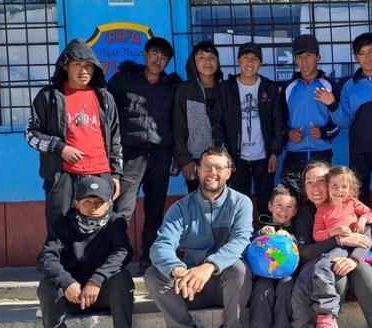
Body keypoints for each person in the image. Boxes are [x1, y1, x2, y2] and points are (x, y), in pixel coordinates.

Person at [144, 146, 253, 328]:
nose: (212, 172)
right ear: (198, 171)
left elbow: (241, 240)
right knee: (154, 274)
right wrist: (177, 270)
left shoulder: (241, 203)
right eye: (206, 167)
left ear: (229, 171)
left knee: (239, 268)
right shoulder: (181, 208)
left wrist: (209, 266)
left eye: (218, 167)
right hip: (190, 288)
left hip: (228, 287)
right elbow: (161, 245)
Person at [22, 175, 135, 328]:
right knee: (47, 286)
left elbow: (123, 252)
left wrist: (97, 279)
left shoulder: (116, 222)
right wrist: (67, 282)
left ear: (109, 203)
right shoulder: (63, 224)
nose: (93, 206)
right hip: (72, 296)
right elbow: (47, 257)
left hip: (103, 295)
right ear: (76, 203)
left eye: (99, 202)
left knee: (122, 278)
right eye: (87, 201)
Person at [291, 161, 372, 328]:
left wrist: (353, 259)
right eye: (310, 182)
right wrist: (337, 240)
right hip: (322, 265)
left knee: (361, 269)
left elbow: (366, 236)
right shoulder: (308, 212)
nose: (316, 187)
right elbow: (305, 252)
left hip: (354, 259)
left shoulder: (350, 203)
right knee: (332, 272)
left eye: (321, 181)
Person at [26, 38, 122, 233]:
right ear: (65, 67)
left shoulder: (104, 98)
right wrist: (60, 147)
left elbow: (115, 138)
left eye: (88, 66)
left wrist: (115, 173)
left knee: (99, 228)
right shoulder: (49, 97)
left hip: (99, 172)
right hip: (63, 175)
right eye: (77, 65)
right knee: (59, 227)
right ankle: (58, 264)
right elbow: (31, 134)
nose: (83, 70)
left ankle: (98, 264)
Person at [314, 32, 372, 246]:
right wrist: (332, 103)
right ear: (355, 57)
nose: (368, 57)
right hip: (360, 149)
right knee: (357, 198)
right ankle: (359, 241)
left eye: (371, 52)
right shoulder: (350, 86)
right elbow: (345, 121)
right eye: (362, 53)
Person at [108, 37, 181, 273]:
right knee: (122, 210)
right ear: (145, 54)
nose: (158, 61)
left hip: (160, 155)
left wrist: (177, 156)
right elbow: (108, 118)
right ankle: (115, 259)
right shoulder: (123, 80)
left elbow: (177, 122)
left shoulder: (171, 87)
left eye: (163, 58)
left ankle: (149, 257)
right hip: (130, 154)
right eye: (154, 55)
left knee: (155, 210)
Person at [305, 166, 372, 328]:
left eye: (344, 187)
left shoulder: (352, 202)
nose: (339, 191)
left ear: (351, 189)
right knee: (323, 268)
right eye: (335, 186)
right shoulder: (322, 209)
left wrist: (362, 219)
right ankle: (327, 317)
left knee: (360, 271)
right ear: (328, 187)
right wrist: (334, 232)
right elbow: (317, 235)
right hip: (336, 249)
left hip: (355, 249)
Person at [216, 42, 283, 217]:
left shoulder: (269, 88)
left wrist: (275, 152)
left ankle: (266, 239)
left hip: (264, 156)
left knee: (265, 200)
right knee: (238, 202)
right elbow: (218, 123)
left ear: (260, 63)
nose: (249, 62)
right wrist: (225, 153)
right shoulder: (226, 89)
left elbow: (278, 122)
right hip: (236, 158)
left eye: (254, 59)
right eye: (245, 58)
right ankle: (241, 239)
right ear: (238, 61)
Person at [245, 181, 300, 328]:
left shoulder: (297, 229)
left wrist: (291, 240)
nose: (283, 211)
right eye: (279, 206)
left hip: (287, 276)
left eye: (289, 207)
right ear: (270, 206)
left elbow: (302, 252)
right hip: (263, 275)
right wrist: (260, 234)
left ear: (295, 211)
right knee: (262, 288)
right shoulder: (260, 225)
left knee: (286, 286)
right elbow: (248, 247)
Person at [280, 34, 340, 180]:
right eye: (299, 56)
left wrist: (323, 132)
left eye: (309, 55)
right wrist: (288, 134)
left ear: (318, 58)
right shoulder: (288, 88)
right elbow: (279, 120)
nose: (304, 61)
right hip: (294, 155)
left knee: (319, 200)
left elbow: (339, 119)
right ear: (295, 60)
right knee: (291, 199)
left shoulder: (329, 86)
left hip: (322, 154)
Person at [172, 41, 224, 192]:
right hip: (194, 160)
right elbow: (178, 127)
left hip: (222, 159)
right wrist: (185, 160)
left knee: (221, 203)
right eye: (201, 57)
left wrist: (228, 155)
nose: (207, 62)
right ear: (193, 62)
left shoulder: (225, 89)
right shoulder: (184, 90)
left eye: (212, 57)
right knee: (197, 204)